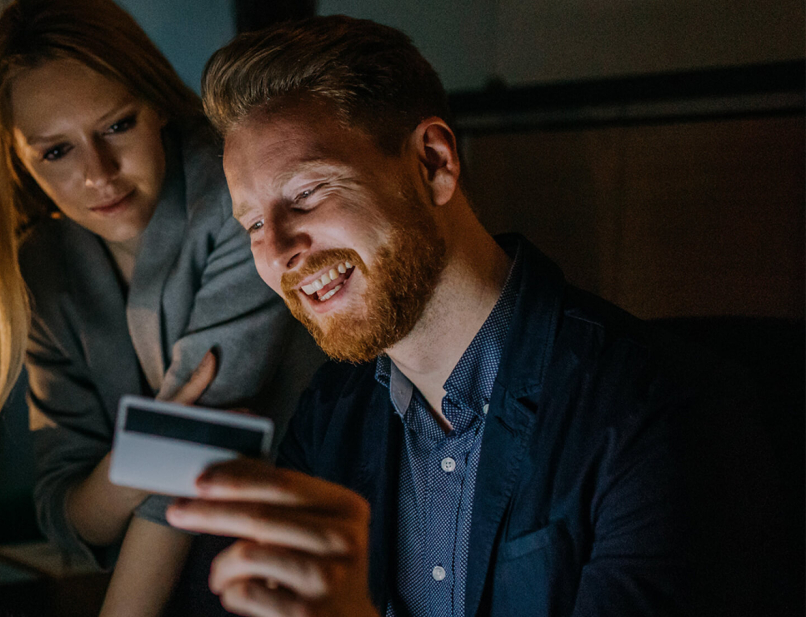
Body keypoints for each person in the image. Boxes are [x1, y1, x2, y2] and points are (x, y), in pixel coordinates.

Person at [163, 15, 784, 617]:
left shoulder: (668, 410)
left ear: (433, 162)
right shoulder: (328, 417)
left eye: (306, 193)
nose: (276, 250)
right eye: (251, 225)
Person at [0, 1, 325, 614]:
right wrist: (139, 458)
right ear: (19, 162)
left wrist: (142, 463)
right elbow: (66, 513)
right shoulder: (43, 269)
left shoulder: (236, 196)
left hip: (304, 557)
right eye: (56, 152)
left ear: (155, 103)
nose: (98, 174)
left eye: (117, 126)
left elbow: (187, 468)